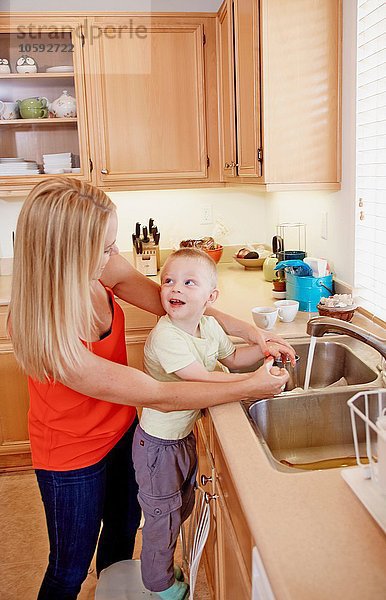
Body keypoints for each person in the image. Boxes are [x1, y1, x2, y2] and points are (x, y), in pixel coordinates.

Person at [8, 177, 292, 600]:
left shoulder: (100, 269)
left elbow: (179, 304)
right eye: (105, 247)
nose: (115, 254)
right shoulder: (40, 326)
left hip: (124, 433)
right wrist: (248, 385)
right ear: (66, 252)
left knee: (122, 538)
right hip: (70, 456)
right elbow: (153, 392)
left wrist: (252, 334)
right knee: (68, 567)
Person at [133, 248, 287, 599]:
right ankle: (158, 584)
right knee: (163, 515)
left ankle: (160, 564)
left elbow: (232, 358)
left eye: (189, 282)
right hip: (157, 445)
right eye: (169, 281)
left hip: (180, 436)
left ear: (211, 297)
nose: (176, 289)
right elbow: (200, 380)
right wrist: (252, 385)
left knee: (177, 507)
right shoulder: (167, 336)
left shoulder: (208, 325)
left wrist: (266, 351)